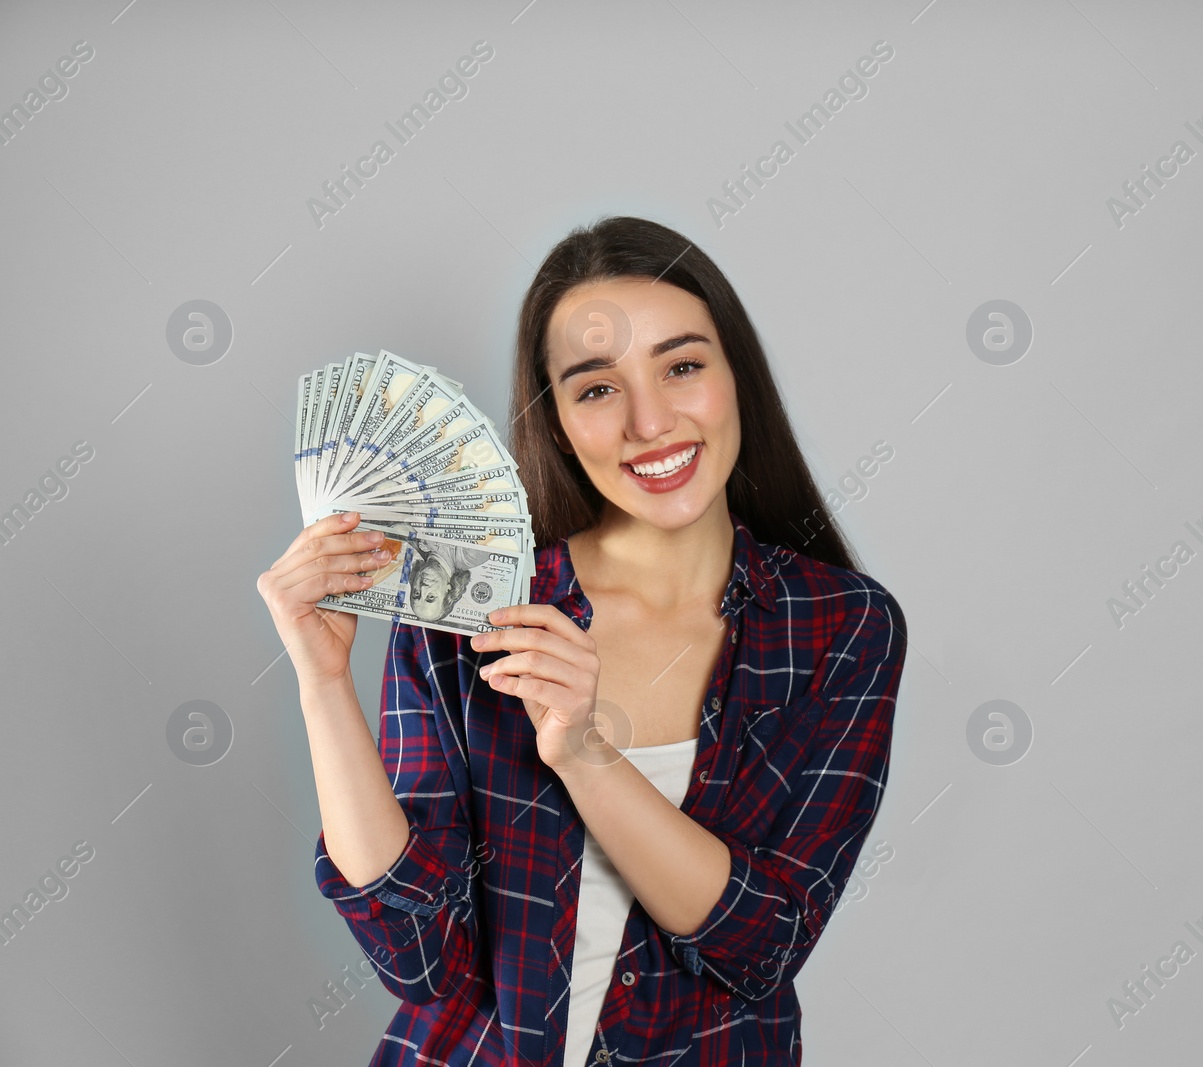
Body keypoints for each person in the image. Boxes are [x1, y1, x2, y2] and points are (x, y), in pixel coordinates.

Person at [256, 215, 909, 1066]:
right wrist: (322, 681)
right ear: (558, 419)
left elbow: (762, 945)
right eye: (597, 388)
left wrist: (585, 751)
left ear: (736, 377)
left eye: (682, 366)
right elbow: (419, 957)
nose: (650, 421)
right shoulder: (470, 609)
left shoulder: (841, 626)